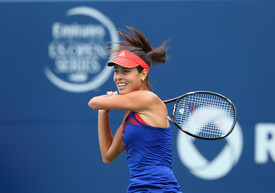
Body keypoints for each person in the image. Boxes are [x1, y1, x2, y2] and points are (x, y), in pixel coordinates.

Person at [88, 26, 182, 193]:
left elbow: (93, 102)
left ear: (143, 74)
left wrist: (104, 103)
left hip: (161, 189)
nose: (118, 77)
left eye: (126, 71)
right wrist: (104, 113)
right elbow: (108, 155)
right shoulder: (129, 114)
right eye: (116, 71)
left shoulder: (147, 99)